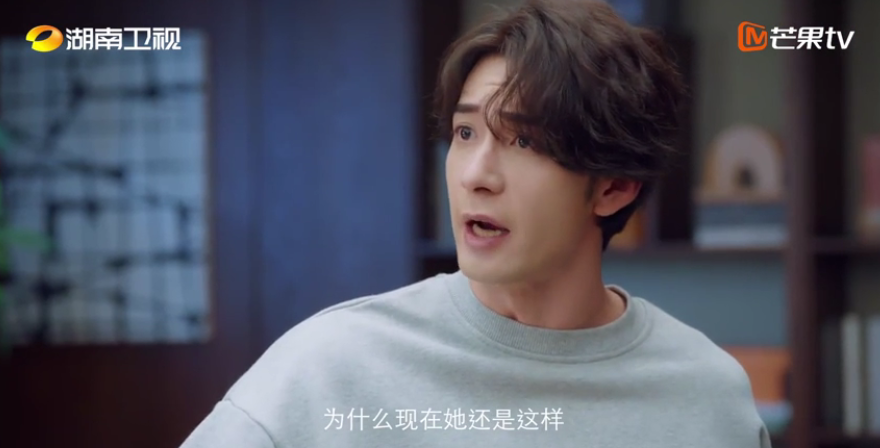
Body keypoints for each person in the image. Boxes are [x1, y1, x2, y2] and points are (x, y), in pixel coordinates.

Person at [180, 0, 772, 447]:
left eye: (525, 141)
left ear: (613, 187)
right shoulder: (329, 369)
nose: (475, 175)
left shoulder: (706, 396)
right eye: (465, 133)